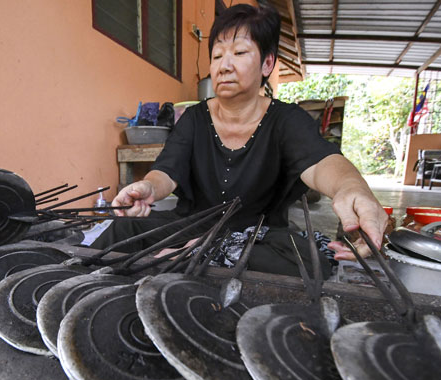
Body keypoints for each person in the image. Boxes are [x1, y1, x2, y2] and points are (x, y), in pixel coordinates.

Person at [91, 3, 387, 279]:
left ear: (267, 63)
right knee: (122, 230)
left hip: (257, 236)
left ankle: (194, 258)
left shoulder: (286, 120)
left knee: (311, 264)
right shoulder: (194, 118)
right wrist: (149, 187)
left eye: (240, 53)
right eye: (217, 56)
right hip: (191, 227)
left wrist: (351, 187)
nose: (224, 65)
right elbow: (167, 169)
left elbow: (322, 162)